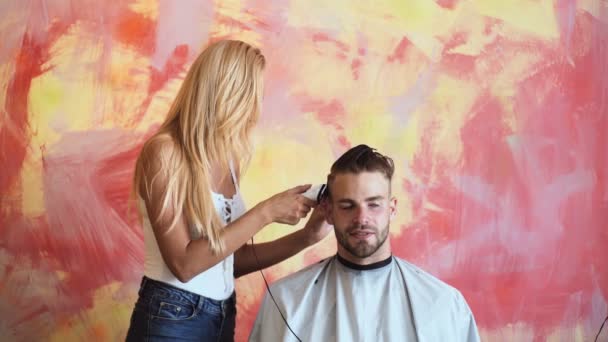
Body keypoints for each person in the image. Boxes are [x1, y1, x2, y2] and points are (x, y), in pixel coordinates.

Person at [125, 40, 331, 342]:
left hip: (221, 315)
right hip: (172, 316)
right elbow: (184, 265)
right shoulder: (164, 153)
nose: (256, 107)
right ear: (228, 94)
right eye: (253, 95)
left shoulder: (228, 157)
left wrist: (306, 237)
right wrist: (267, 211)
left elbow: (226, 261)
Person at [249, 144, 480, 342]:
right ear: (328, 211)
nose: (361, 219)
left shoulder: (442, 304)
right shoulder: (286, 302)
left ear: (392, 209)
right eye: (348, 206)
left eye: (374, 204)